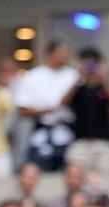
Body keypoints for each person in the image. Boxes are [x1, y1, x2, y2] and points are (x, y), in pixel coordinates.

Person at [13, 40, 78, 171]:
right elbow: (23, 109)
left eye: (66, 53)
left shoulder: (74, 76)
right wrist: (49, 111)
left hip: (69, 131)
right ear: (49, 54)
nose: (65, 56)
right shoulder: (32, 76)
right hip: (40, 131)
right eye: (61, 53)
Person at [62, 48, 109, 173]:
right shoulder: (78, 87)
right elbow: (63, 103)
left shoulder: (106, 86)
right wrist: (79, 78)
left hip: (104, 142)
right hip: (80, 141)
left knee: (107, 179)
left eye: (92, 64)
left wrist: (103, 78)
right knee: (76, 176)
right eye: (86, 64)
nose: (89, 68)